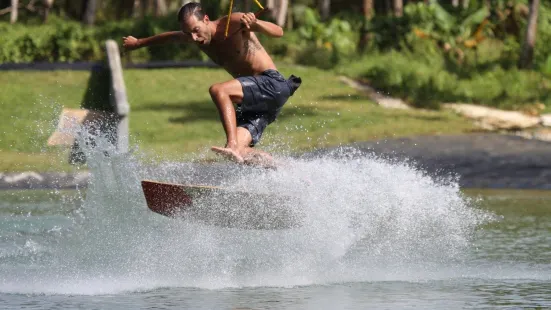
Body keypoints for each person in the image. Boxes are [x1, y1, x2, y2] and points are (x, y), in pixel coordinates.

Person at [122, 2, 301, 167]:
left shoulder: (234, 22)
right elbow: (169, 37)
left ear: (206, 19)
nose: (193, 38)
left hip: (272, 83)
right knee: (241, 152)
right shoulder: (195, 36)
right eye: (188, 33)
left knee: (219, 90)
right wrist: (138, 43)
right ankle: (286, 170)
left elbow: (278, 31)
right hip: (256, 100)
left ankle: (230, 144)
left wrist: (256, 24)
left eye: (196, 30)